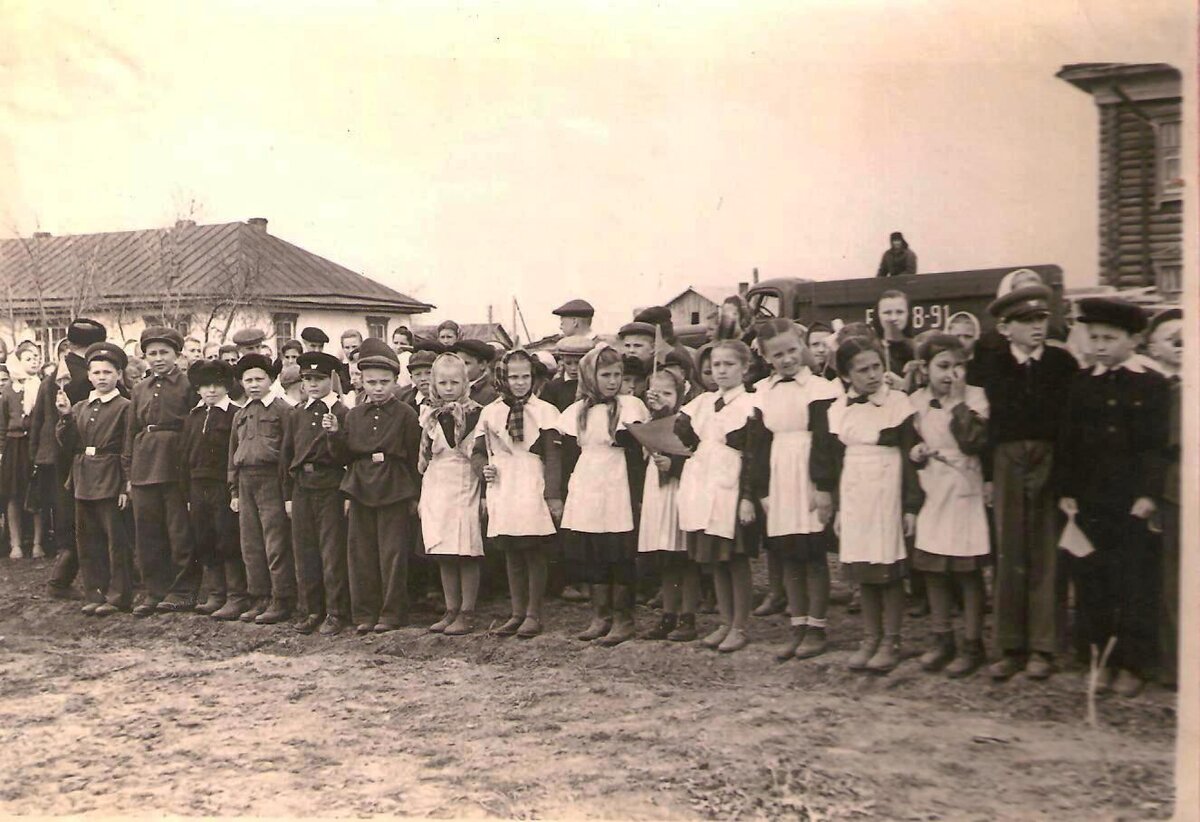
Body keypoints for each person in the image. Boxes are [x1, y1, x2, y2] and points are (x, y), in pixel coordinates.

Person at [1057, 298, 1168, 698]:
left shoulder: (1151, 384)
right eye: (1094, 337)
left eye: (1110, 338)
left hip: (1132, 503)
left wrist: (1149, 494)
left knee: (1134, 582)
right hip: (1090, 502)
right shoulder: (1084, 382)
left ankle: (1133, 663)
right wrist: (1066, 491)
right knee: (1093, 581)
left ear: (1134, 339)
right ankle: (1098, 658)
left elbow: (1156, 447)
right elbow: (1068, 443)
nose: (1100, 345)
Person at [982, 284, 1078, 682]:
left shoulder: (1061, 363)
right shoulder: (990, 363)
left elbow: (1071, 427)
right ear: (1006, 328)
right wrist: (989, 475)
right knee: (1010, 552)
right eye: (1027, 321)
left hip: (1049, 460)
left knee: (1045, 553)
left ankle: (1043, 646)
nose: (1038, 327)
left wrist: (1066, 478)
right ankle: (1010, 645)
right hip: (1006, 460)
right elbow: (986, 424)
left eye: (1041, 319)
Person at [814, 337, 922, 674]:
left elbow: (909, 459)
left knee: (887, 568)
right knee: (864, 568)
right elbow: (834, 460)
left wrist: (910, 506)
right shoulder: (838, 410)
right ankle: (870, 637)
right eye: (863, 370)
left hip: (889, 487)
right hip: (856, 488)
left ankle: (892, 639)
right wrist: (838, 505)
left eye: (877, 367)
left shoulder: (899, 403)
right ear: (846, 376)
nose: (873, 375)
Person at [750, 320, 843, 661]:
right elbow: (758, 444)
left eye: (792, 350)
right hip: (779, 474)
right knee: (787, 553)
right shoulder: (762, 391)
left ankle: (817, 627)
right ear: (766, 357)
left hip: (808, 473)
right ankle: (797, 625)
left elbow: (824, 443)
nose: (787, 359)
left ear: (802, 346)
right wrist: (761, 489)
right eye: (778, 354)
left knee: (812, 554)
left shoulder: (821, 389)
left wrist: (823, 488)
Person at [908, 334, 990, 677]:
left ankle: (973, 643)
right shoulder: (916, 402)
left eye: (959, 366)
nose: (952, 374)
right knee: (934, 569)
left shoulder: (975, 398)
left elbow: (972, 443)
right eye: (943, 366)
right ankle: (942, 639)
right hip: (933, 491)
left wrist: (957, 404)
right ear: (925, 369)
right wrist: (916, 453)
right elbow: (912, 443)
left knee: (966, 571)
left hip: (964, 488)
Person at [559, 344, 649, 646]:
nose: (612, 381)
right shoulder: (578, 411)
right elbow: (571, 452)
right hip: (589, 479)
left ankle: (624, 617)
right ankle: (601, 615)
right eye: (605, 375)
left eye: (617, 375)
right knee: (594, 548)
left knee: (618, 549)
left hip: (617, 480)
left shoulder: (630, 406)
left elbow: (638, 447)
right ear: (590, 376)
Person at [675, 339, 761, 653]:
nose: (720, 371)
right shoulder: (703, 402)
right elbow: (683, 430)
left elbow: (752, 455)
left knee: (735, 558)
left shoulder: (751, 405)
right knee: (716, 559)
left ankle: (739, 625)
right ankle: (725, 621)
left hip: (733, 484)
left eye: (728, 365)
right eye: (716, 365)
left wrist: (748, 497)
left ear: (745, 368)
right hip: (704, 481)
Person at [335, 338, 421, 634]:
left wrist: (414, 496)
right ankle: (364, 612)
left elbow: (414, 457)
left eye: (385, 382)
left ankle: (392, 612)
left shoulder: (407, 415)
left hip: (394, 487)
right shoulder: (354, 414)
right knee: (361, 553)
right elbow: (345, 455)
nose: (378, 388)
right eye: (371, 382)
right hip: (360, 487)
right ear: (361, 381)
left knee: (392, 554)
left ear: (396, 381)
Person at [475, 349, 562, 639]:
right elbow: (478, 452)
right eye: (514, 377)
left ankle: (534, 613)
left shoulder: (546, 411)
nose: (520, 382)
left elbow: (553, 455)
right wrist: (483, 469)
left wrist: (552, 494)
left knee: (532, 548)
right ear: (503, 378)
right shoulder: (491, 411)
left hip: (530, 480)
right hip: (503, 482)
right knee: (511, 548)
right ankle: (516, 612)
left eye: (525, 376)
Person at [123, 327, 198, 617]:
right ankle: (155, 590)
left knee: (179, 531)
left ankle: (183, 591)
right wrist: (128, 472)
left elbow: (193, 426)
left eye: (164, 352)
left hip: (175, 463)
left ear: (177, 355)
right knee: (148, 532)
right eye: (152, 353)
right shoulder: (139, 388)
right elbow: (131, 431)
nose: (158, 358)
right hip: (144, 465)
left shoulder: (188, 385)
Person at [55, 342, 132, 615]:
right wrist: (65, 417)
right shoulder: (80, 407)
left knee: (115, 540)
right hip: (83, 478)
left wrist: (125, 484)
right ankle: (95, 592)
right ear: (88, 375)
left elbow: (127, 448)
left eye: (108, 372)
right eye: (97, 372)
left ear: (119, 375)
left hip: (110, 477)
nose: (102, 377)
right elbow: (67, 443)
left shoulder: (125, 407)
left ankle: (118, 595)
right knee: (88, 540)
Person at [282, 351, 351, 636]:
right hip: (302, 487)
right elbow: (287, 456)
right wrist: (287, 495)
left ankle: (336, 611)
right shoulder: (297, 413)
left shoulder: (342, 413)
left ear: (331, 380)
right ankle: (312, 609)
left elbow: (348, 456)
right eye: (307, 378)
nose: (312, 384)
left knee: (331, 551)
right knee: (305, 551)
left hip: (330, 485)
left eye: (319, 378)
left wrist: (335, 434)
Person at [418, 354, 485, 636]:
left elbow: (479, 452)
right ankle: (451, 608)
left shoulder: (475, 412)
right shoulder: (429, 414)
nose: (448, 388)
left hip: (464, 478)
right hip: (438, 481)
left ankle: (467, 611)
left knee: (465, 546)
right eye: (442, 382)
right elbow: (422, 455)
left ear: (465, 382)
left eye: (454, 382)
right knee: (444, 547)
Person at [41, 318, 108, 597]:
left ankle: (64, 578)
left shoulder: (57, 372)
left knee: (70, 515)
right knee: (82, 517)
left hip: (58, 452)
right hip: (80, 454)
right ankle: (61, 581)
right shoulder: (84, 377)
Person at [228, 352, 294, 625]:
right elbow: (232, 453)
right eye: (248, 380)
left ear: (271, 380)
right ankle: (259, 598)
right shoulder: (241, 413)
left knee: (275, 543)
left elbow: (289, 453)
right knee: (251, 544)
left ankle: (281, 599)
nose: (254, 384)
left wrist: (287, 491)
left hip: (271, 480)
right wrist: (233, 490)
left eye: (259, 379)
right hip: (246, 481)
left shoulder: (283, 410)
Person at [181, 358, 249, 621]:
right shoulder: (195, 416)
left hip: (223, 486)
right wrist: (187, 493)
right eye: (205, 386)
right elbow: (186, 456)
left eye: (217, 385)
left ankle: (236, 596)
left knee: (227, 537)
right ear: (197, 389)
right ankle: (216, 593)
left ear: (227, 386)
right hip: (198, 487)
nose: (211, 391)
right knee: (205, 537)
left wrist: (234, 490)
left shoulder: (235, 414)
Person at [637, 369, 699, 641]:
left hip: (679, 489)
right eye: (656, 393)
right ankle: (668, 614)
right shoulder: (648, 421)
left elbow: (697, 457)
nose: (660, 399)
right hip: (657, 488)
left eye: (667, 394)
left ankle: (688, 616)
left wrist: (674, 465)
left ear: (680, 394)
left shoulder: (685, 422)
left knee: (682, 554)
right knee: (665, 555)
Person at [1145, 309, 1182, 688]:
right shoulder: (1154, 387)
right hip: (1172, 492)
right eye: (1172, 337)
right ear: (1153, 347)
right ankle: (1172, 664)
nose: (1182, 343)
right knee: (1171, 580)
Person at [1, 342, 44, 557]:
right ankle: (15, 543)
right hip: (13, 445)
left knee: (36, 493)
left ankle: (38, 543)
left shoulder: (42, 387)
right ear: (18, 362)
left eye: (36, 356)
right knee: (13, 495)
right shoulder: (9, 390)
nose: (34, 361)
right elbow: (2, 424)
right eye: (28, 358)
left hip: (34, 445)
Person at [869, 290, 916, 390]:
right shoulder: (869, 349)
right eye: (887, 313)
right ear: (878, 316)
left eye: (899, 312)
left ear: (908, 314)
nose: (893, 318)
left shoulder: (919, 348)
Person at [541, 335, 591, 412]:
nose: (573, 368)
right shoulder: (552, 387)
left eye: (577, 363)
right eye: (568, 363)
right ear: (562, 360)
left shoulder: (592, 386)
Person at [452, 339, 500, 406]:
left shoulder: (489, 394)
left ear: (482, 365)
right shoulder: (454, 386)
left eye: (466, 363)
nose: (460, 368)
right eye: (457, 363)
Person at [945, 311, 985, 386]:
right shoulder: (939, 365)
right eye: (957, 336)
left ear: (976, 337)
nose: (962, 341)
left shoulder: (986, 368)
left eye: (968, 336)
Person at [400, 349, 435, 414]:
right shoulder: (404, 400)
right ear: (412, 378)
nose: (423, 378)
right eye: (417, 374)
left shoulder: (446, 399)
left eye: (428, 373)